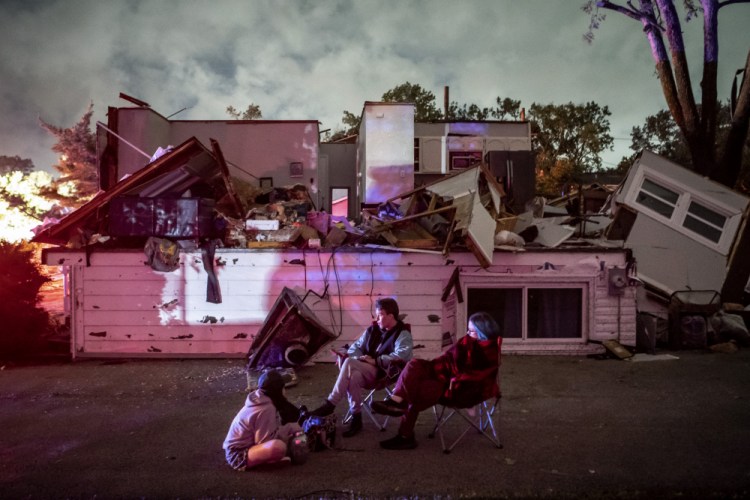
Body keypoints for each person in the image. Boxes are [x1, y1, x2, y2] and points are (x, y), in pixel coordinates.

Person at [371, 311, 502, 450]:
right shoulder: (468, 340)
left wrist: (455, 380)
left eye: (472, 331)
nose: (468, 334)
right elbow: (449, 357)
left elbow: (476, 376)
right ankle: (396, 401)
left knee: (418, 391)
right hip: (441, 372)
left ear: (483, 332)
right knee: (414, 364)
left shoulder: (488, 352)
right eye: (468, 330)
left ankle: (405, 435)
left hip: (454, 386)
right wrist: (437, 367)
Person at [309, 297, 414, 437]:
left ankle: (331, 403)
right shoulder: (372, 330)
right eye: (376, 314)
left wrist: (375, 360)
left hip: (384, 373)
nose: (377, 318)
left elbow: (402, 355)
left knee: (349, 363)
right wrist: (361, 358)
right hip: (364, 369)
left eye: (380, 315)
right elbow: (355, 348)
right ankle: (356, 417)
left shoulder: (402, 333)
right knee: (354, 376)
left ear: (391, 316)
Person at [222, 369, 303, 470]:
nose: (285, 390)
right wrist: (289, 428)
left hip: (247, 448)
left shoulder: (261, 398)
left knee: (287, 436)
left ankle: (268, 460)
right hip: (238, 456)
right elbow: (264, 441)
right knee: (278, 447)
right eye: (283, 387)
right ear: (277, 390)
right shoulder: (266, 408)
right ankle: (266, 462)